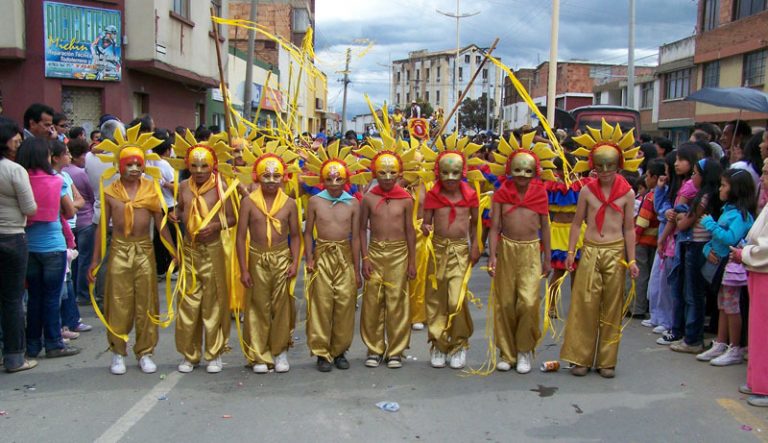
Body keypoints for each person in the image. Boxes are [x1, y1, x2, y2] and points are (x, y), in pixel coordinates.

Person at [87, 127, 175, 374]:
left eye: (138, 163)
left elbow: (161, 225)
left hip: (144, 250)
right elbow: (101, 228)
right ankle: (118, 351)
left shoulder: (151, 189)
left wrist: (173, 252)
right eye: (129, 164)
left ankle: (145, 351)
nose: (134, 168)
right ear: (119, 166)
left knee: (146, 302)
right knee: (118, 302)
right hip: (119, 250)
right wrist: (94, 261)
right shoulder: (110, 191)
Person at [560, 120, 640, 378]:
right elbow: (576, 224)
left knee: (611, 305)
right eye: (600, 166)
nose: (605, 171)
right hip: (591, 250)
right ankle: (580, 357)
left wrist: (633, 259)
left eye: (611, 166)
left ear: (619, 165)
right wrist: (571, 253)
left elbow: (629, 228)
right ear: (593, 166)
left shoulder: (627, 193)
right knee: (585, 304)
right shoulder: (586, 191)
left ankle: (607, 360)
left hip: (615, 253)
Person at [486, 133, 554, 373]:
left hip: (531, 250)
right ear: (510, 170)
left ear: (534, 171)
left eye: (527, 172)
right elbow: (494, 227)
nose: (522, 177)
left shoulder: (540, 193)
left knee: (527, 302)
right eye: (517, 171)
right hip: (506, 248)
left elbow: (545, 226)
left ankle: (524, 350)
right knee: (505, 302)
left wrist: (547, 257)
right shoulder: (501, 194)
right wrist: (492, 256)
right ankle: (506, 352)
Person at [169, 132, 236, 374]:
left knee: (214, 302)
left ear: (213, 165)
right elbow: (181, 208)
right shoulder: (184, 186)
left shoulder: (222, 187)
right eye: (194, 165)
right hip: (190, 250)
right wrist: (175, 213)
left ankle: (214, 353)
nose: (199, 170)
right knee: (188, 302)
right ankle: (190, 354)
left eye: (204, 165)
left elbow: (232, 217)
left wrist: (216, 226)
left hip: (214, 250)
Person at [420, 135, 485, 369]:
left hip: (459, 249)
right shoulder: (433, 195)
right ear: (438, 173)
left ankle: (458, 344)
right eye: (445, 173)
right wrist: (426, 228)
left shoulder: (470, 195)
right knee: (436, 298)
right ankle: (438, 344)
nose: (449, 179)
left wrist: (476, 245)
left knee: (456, 298)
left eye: (454, 173)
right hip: (437, 249)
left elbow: (475, 223)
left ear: (462, 172)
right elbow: (425, 223)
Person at [236, 146, 301, 374]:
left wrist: (294, 263)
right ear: (257, 176)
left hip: (282, 257)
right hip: (256, 257)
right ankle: (258, 354)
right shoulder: (248, 202)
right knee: (256, 306)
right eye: (266, 175)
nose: (271, 181)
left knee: (282, 306)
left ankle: (280, 351)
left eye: (276, 176)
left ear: (284, 177)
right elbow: (240, 237)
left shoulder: (290, 203)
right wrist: (243, 269)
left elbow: (295, 235)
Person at [302, 143, 364, 372]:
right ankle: (321, 352)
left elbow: (357, 236)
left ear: (346, 179)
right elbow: (308, 233)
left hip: (345, 256)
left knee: (345, 304)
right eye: (329, 179)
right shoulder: (315, 201)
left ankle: (339, 351)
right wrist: (309, 258)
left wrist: (356, 269)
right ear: (323, 180)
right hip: (322, 255)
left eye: (339, 179)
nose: (334, 184)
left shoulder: (353, 203)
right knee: (321, 304)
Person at [17, 137, 80, 358]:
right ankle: (54, 343)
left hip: (29, 246)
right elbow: (70, 211)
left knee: (34, 296)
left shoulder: (21, 179)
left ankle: (33, 344)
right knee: (52, 297)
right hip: (53, 245)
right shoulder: (56, 180)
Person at [358, 142, 417, 369]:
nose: (388, 177)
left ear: (399, 173)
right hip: (375, 251)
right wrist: (364, 258)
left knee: (398, 302)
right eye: (382, 173)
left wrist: (412, 260)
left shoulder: (406, 199)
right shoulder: (369, 198)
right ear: (375, 173)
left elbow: (410, 231)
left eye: (392, 173)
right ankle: (374, 349)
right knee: (373, 302)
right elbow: (362, 229)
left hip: (399, 253)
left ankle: (395, 350)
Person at [695, 169, 754, 366]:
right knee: (722, 305)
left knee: (731, 307)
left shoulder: (740, 215)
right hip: (721, 266)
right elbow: (714, 243)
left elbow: (731, 238)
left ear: (736, 189)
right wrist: (706, 250)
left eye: (724, 185)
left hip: (733, 268)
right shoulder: (727, 211)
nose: (720, 189)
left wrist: (710, 224)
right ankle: (720, 342)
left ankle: (734, 347)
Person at [669, 158, 723, 354]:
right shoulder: (709, 197)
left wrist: (678, 216)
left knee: (693, 294)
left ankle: (693, 339)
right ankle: (692, 336)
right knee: (694, 293)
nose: (692, 177)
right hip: (699, 247)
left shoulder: (704, 198)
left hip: (697, 247)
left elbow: (683, 224)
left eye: (695, 173)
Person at [729, 158, 768, 407]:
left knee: (765, 331)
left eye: (766, 173)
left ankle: (764, 386)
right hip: (758, 271)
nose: (762, 177)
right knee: (757, 330)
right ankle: (757, 380)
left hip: (763, 269)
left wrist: (745, 254)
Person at [0, 118, 37, 372]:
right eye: (16, 137)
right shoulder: (14, 170)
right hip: (13, 236)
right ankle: (14, 357)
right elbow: (30, 207)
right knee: (12, 299)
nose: (19, 141)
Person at [50, 141, 87, 339]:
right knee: (62, 283)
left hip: (71, 227)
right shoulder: (54, 179)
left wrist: (70, 206)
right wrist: (70, 206)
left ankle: (71, 320)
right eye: (65, 153)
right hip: (61, 231)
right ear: (55, 157)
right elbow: (72, 207)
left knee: (68, 279)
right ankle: (63, 325)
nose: (70, 157)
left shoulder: (66, 176)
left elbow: (79, 200)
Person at [64, 138, 95, 307]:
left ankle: (75, 291)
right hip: (85, 221)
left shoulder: (65, 173)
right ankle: (83, 293)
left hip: (70, 222)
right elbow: (90, 196)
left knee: (73, 260)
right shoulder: (80, 173)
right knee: (84, 258)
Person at [632, 159, 664, 319]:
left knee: (640, 274)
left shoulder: (650, 196)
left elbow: (642, 221)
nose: (646, 178)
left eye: (648, 175)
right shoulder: (662, 194)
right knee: (649, 273)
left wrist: (635, 237)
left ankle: (637, 307)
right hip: (655, 239)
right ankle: (645, 306)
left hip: (644, 240)